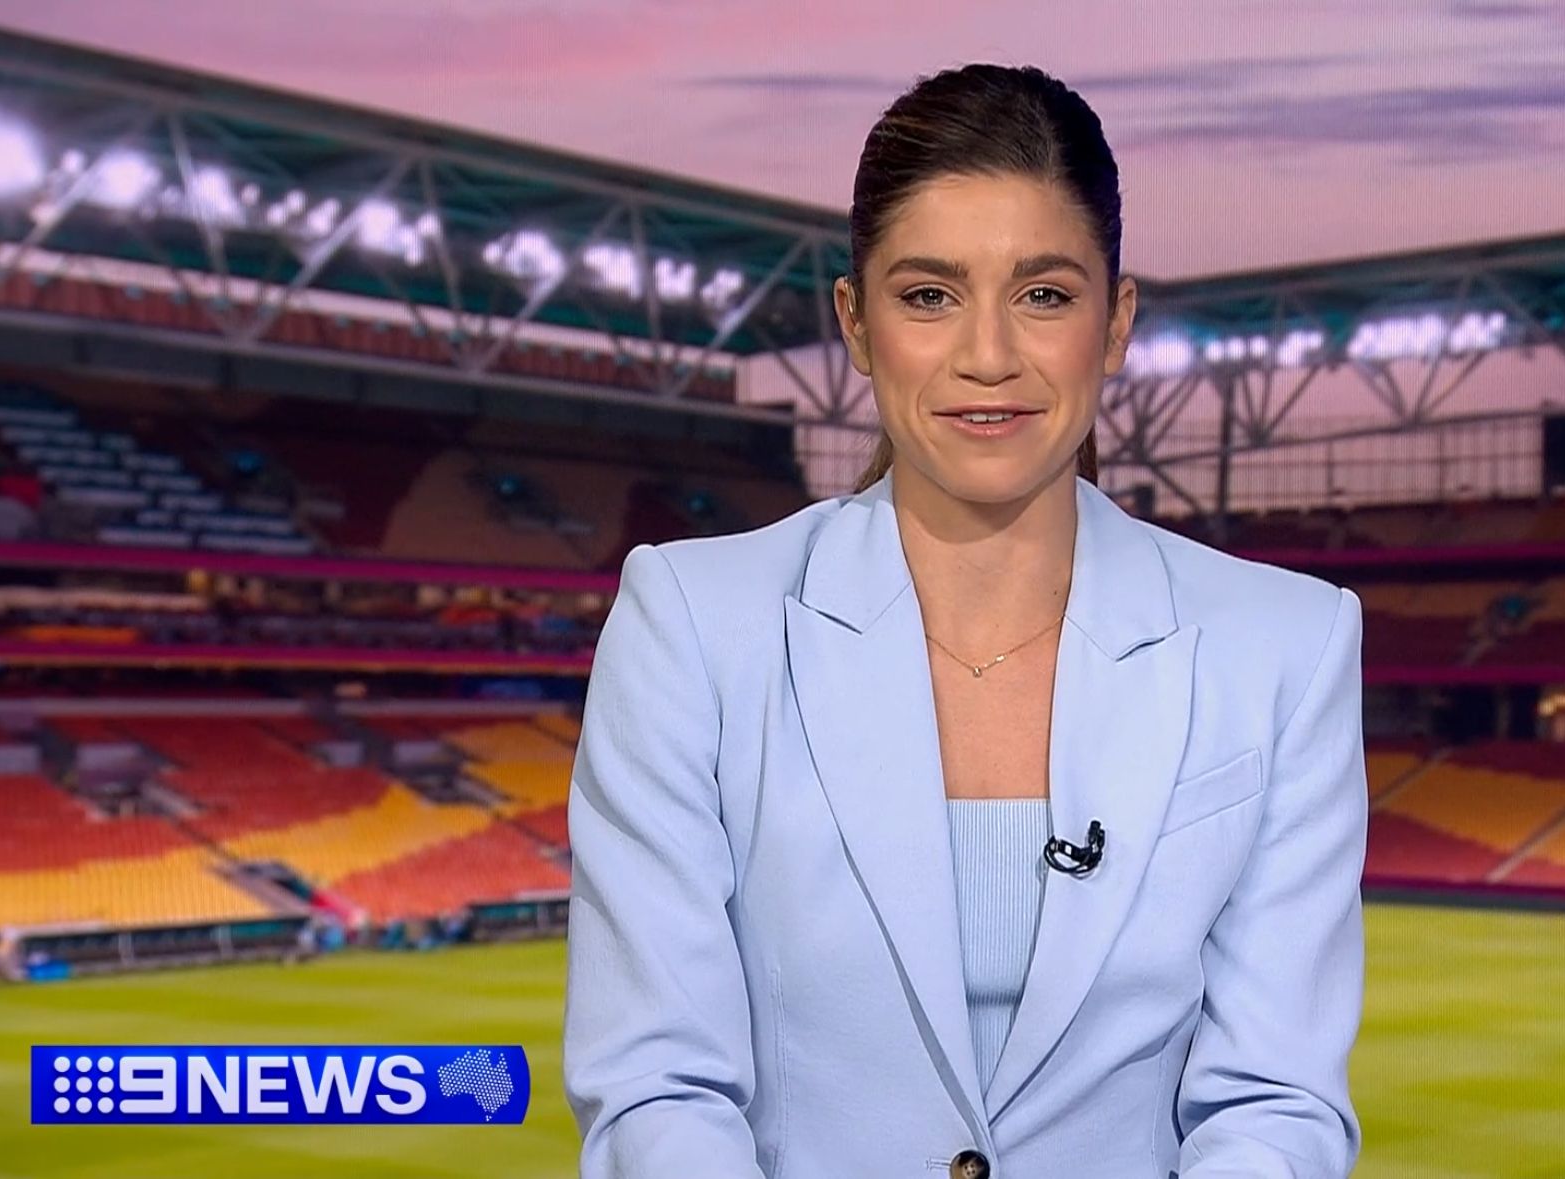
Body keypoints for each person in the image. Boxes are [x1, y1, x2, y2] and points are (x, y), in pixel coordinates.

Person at [564, 63, 1367, 1179]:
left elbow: (1275, 1104)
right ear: (856, 322)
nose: (988, 356)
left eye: (1044, 295)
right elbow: (658, 1086)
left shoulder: (1287, 644)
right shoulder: (691, 624)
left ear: (1116, 322)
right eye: (928, 296)